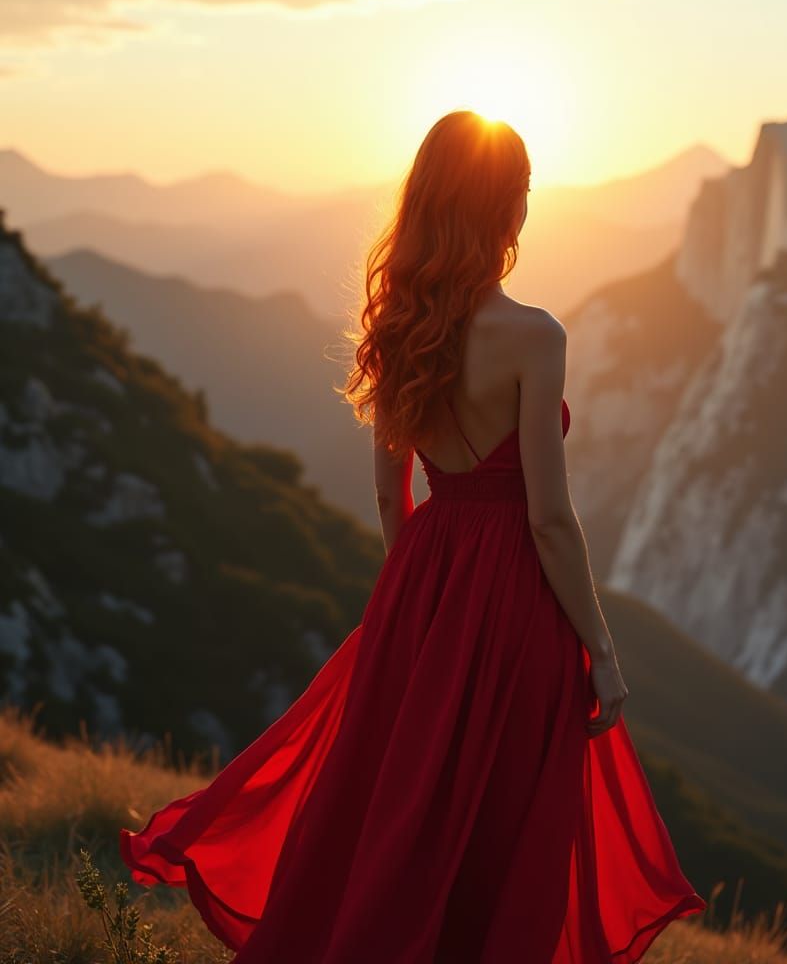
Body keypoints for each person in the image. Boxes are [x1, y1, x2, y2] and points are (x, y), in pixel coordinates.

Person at [120, 109, 706, 963]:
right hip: (515, 604)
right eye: (524, 194)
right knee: (502, 825)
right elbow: (548, 517)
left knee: (398, 809)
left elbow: (391, 497)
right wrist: (603, 650)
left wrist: (424, 605)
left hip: (422, 587)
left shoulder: (400, 321)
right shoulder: (536, 338)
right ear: (504, 207)